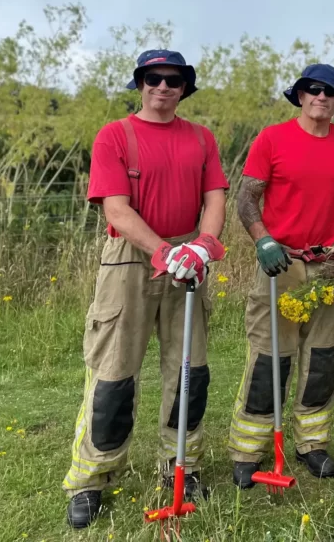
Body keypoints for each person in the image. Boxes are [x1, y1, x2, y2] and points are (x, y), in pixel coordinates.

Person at [62, 49, 230, 529]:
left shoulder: (201, 138)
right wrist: (164, 252)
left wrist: (202, 245)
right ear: (140, 84)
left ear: (184, 87)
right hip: (130, 262)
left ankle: (182, 467)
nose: (163, 87)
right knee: (113, 376)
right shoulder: (115, 135)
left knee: (190, 373)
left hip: (188, 263)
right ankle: (91, 479)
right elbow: (116, 209)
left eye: (173, 80)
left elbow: (215, 197)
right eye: (153, 78)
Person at [226, 63, 334, 487]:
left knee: (321, 358)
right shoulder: (272, 139)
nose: (322, 97)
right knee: (271, 357)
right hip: (281, 262)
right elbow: (246, 198)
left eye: (331, 92)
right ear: (300, 96)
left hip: (329, 266)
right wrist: (263, 241)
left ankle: (312, 444)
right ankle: (248, 450)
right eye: (313, 90)